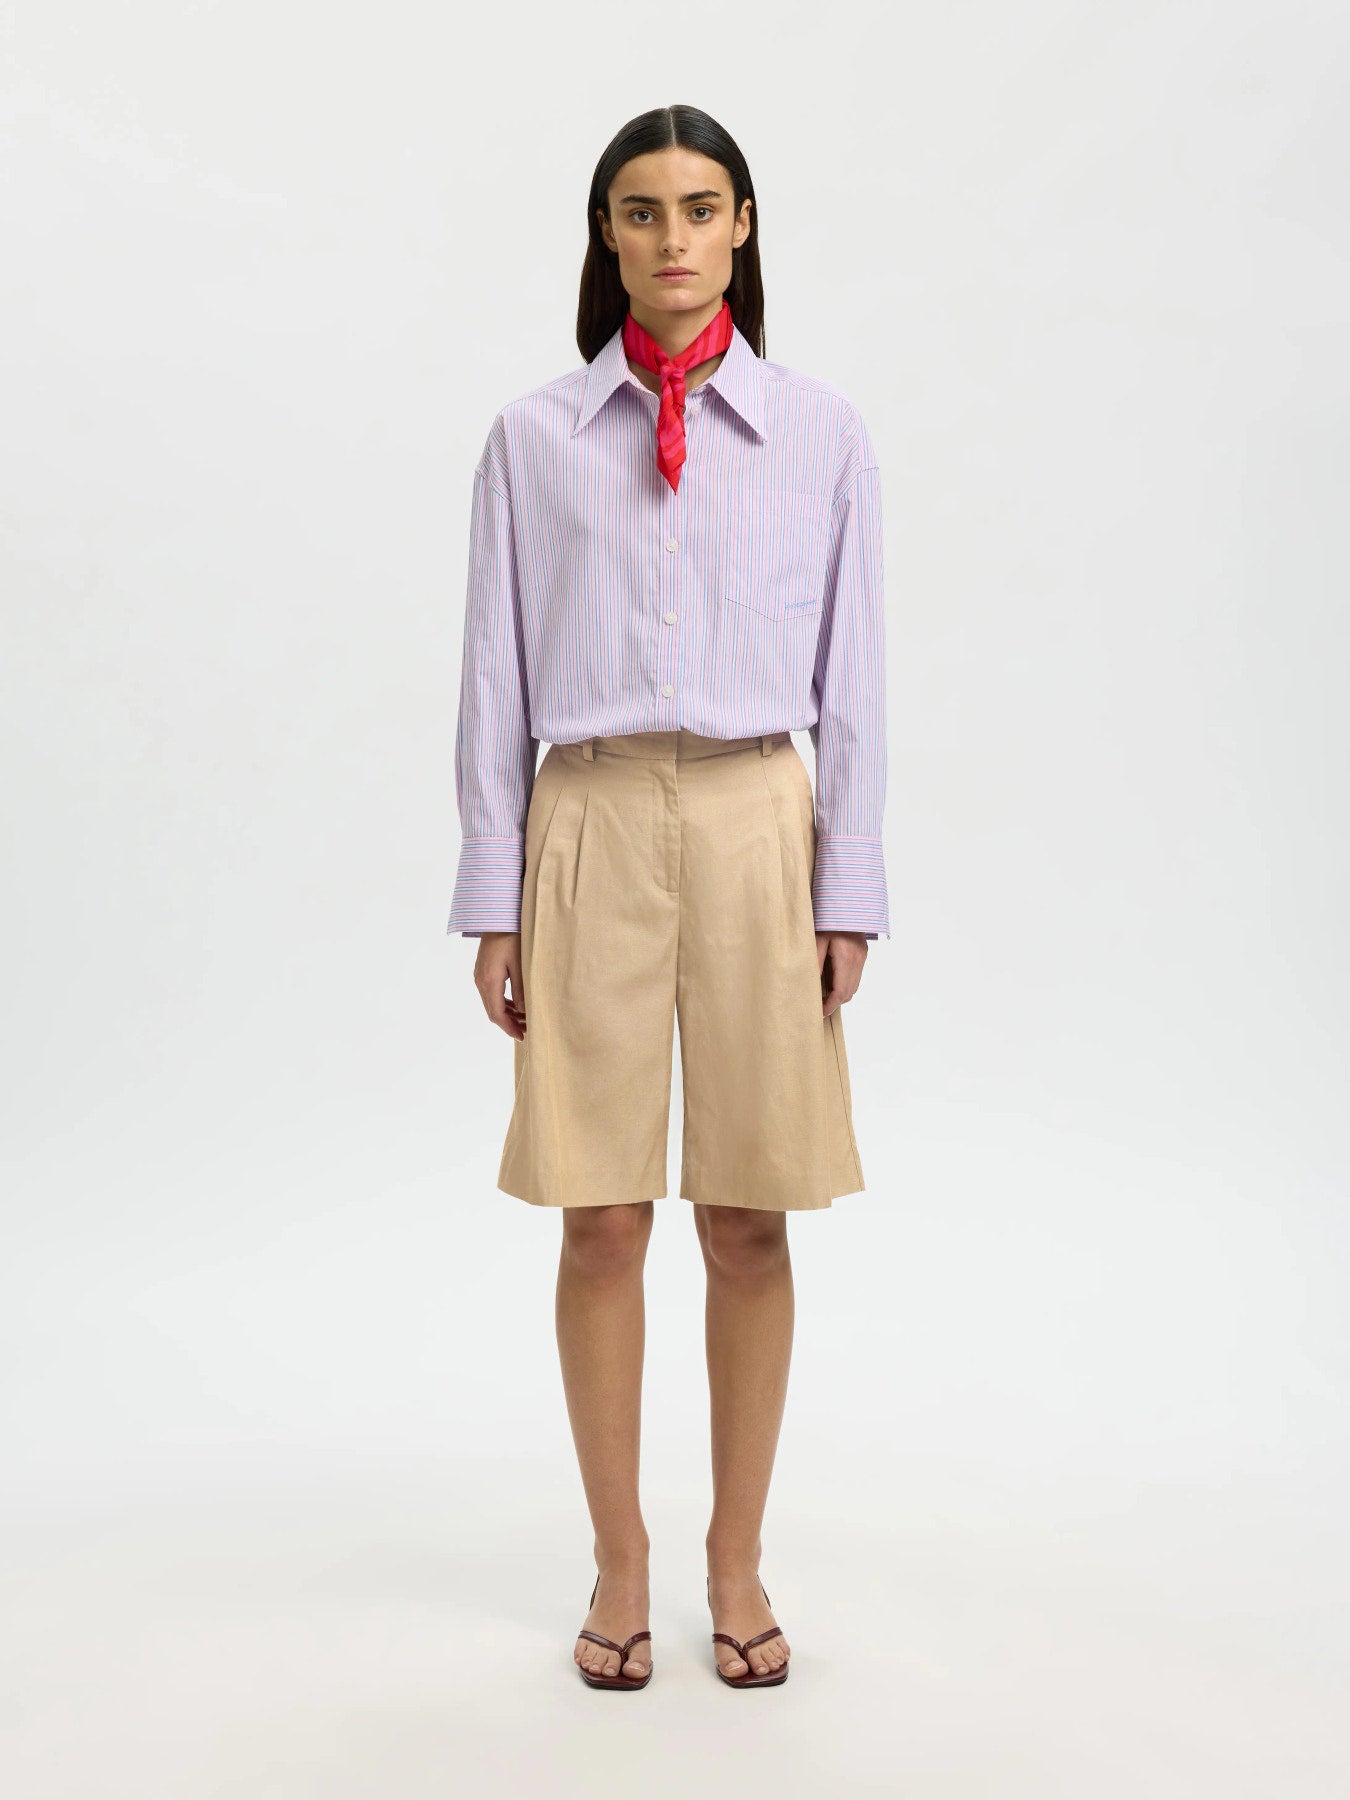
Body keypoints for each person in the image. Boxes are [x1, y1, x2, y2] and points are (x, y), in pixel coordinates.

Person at [446, 103, 888, 1690]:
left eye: (701, 208)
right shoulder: (534, 440)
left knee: (750, 1215)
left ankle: (735, 1561)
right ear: (607, 236)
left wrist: (848, 884)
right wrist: (493, 891)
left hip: (762, 813)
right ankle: (619, 1559)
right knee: (599, 1216)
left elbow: (856, 674)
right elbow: (492, 676)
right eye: (641, 211)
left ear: (742, 227)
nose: (673, 237)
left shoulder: (819, 434)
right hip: (589, 815)